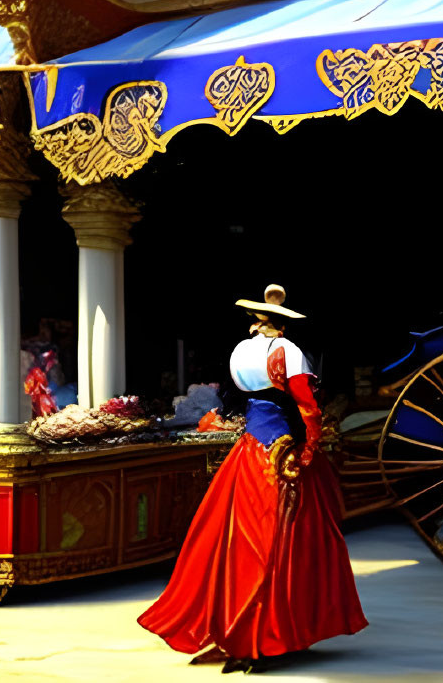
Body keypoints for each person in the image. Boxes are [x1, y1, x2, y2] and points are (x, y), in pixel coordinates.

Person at [140, 284, 367, 672]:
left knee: (232, 539)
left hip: (249, 449)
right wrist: (312, 447)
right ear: (281, 322)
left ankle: (240, 631)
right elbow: (307, 406)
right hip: (283, 453)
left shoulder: (240, 352)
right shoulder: (288, 352)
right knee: (288, 539)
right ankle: (273, 632)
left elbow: (240, 396)